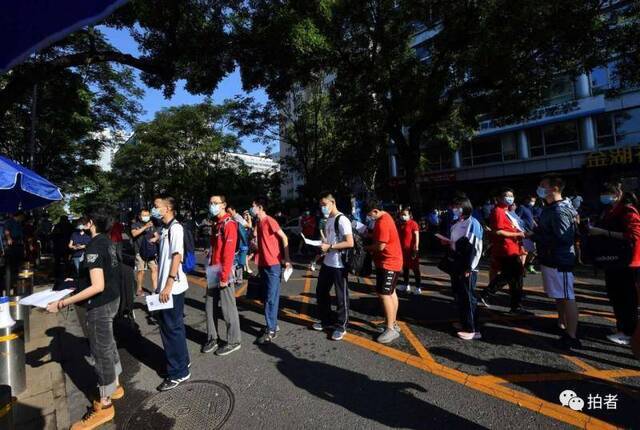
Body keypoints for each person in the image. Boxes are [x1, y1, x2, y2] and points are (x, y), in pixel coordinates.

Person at [46, 208, 124, 429]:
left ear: (91, 223)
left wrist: (62, 302)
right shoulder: (108, 242)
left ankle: (105, 404)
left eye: (84, 221)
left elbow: (97, 285)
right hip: (112, 300)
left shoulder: (93, 246)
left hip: (100, 305)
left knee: (101, 352)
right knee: (108, 344)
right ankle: (114, 385)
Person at [531, 175, 580, 350]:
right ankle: (562, 323)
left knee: (567, 295)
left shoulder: (559, 210)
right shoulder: (551, 208)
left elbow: (563, 238)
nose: (539, 188)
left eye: (543, 185)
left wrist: (535, 235)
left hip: (560, 260)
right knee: (559, 294)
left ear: (555, 188)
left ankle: (572, 336)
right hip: (551, 259)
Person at [589, 182, 640, 346]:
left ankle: (629, 332)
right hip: (613, 261)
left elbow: (633, 236)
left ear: (618, 194)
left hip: (627, 262)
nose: (604, 197)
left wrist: (604, 232)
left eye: (608, 193)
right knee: (616, 296)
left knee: (627, 298)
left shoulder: (628, 211)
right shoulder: (609, 211)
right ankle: (622, 328)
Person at [153, 195, 191, 390]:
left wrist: (167, 285)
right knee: (174, 327)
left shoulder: (176, 228)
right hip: (168, 286)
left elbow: (177, 256)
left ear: (167, 208)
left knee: (171, 329)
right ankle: (183, 362)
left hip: (173, 287)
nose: (154, 209)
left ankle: (178, 373)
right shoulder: (165, 229)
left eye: (156, 206)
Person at [440, 195, 484, 340]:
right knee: (460, 295)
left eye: (458, 206)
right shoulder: (456, 223)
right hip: (456, 264)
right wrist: (448, 243)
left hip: (467, 266)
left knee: (468, 297)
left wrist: (469, 268)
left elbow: (475, 247)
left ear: (465, 206)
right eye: (454, 206)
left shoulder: (473, 223)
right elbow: (457, 242)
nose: (455, 209)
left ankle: (473, 329)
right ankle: (465, 322)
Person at [202, 195, 242, 356]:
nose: (212, 205)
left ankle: (234, 341)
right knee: (209, 306)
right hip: (213, 269)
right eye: (210, 203)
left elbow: (229, 253)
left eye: (215, 203)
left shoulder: (229, 223)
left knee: (228, 308)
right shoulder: (216, 224)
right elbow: (214, 249)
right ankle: (212, 337)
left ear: (224, 205)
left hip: (224, 270)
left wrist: (225, 277)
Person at [312, 192, 354, 341]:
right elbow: (329, 240)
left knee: (341, 297)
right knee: (321, 292)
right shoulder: (328, 219)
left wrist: (329, 246)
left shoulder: (342, 220)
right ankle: (326, 320)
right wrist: (322, 245)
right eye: (320, 205)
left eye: (324, 205)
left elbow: (350, 242)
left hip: (339, 265)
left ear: (333, 202)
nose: (322, 208)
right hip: (327, 262)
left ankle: (341, 325)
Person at [480, 188, 529, 315]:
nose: (510, 198)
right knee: (511, 274)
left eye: (511, 196)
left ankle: (515, 306)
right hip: (506, 248)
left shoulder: (508, 211)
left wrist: (521, 238)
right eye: (507, 196)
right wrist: (518, 234)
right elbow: (498, 231)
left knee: (515, 276)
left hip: (513, 247)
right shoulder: (498, 211)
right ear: (499, 198)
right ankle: (487, 293)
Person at [251, 197, 292, 344]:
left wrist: (287, 259)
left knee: (270, 298)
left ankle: (272, 330)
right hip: (263, 264)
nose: (252, 209)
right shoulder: (258, 222)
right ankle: (272, 324)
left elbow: (284, 237)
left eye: (253, 206)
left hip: (273, 265)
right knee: (266, 297)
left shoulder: (270, 221)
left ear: (260, 207)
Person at [364, 200, 403, 344]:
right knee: (391, 293)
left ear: (375, 211)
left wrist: (366, 248)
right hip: (390, 262)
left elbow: (380, 246)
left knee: (384, 294)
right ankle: (392, 323)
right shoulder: (385, 217)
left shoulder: (383, 221)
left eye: (369, 214)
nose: (369, 217)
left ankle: (390, 329)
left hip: (389, 263)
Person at [130, 209, 160, 297]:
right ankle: (139, 289)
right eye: (144, 215)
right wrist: (145, 227)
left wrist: (155, 238)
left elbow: (157, 235)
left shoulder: (151, 225)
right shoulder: (135, 224)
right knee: (141, 271)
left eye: (147, 215)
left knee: (154, 269)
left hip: (150, 251)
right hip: (139, 251)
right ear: (140, 216)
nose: (146, 217)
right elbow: (134, 234)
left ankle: (155, 289)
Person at [398, 208, 421, 295]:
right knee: (405, 268)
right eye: (401, 214)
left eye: (405, 214)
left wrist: (416, 248)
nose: (403, 216)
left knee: (415, 269)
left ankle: (418, 287)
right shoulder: (400, 224)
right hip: (403, 250)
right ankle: (406, 284)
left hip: (411, 250)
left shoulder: (413, 223)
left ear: (409, 215)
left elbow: (416, 236)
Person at [227, 204, 250, 287]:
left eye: (230, 212)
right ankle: (234, 279)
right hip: (235, 243)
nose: (228, 213)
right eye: (227, 212)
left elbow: (248, 225)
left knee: (239, 263)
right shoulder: (231, 218)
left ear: (234, 210)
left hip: (239, 243)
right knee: (234, 262)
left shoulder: (238, 217)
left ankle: (239, 280)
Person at [3, 212, 25, 294]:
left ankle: (16, 285)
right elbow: (6, 231)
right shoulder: (9, 221)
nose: (23, 218)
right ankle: (9, 286)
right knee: (11, 266)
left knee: (18, 265)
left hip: (18, 245)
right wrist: (9, 238)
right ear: (19, 216)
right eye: (22, 216)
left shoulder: (19, 223)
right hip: (12, 244)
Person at [517, 195, 538, 274]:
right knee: (524, 252)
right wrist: (521, 230)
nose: (532, 202)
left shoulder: (530, 209)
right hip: (525, 233)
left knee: (533, 251)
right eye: (531, 200)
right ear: (526, 200)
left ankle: (527, 265)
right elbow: (517, 218)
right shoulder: (522, 207)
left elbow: (530, 218)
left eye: (534, 201)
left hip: (531, 232)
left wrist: (535, 224)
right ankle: (521, 269)